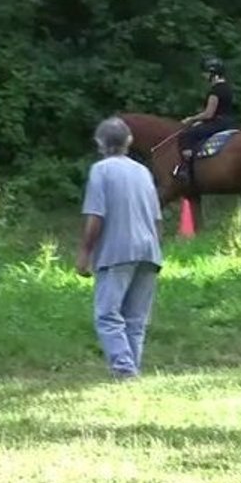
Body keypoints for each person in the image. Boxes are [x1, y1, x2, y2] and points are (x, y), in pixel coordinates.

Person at [76, 116, 164, 380]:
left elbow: (96, 216)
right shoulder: (143, 171)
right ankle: (131, 369)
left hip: (116, 251)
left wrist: (85, 253)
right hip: (149, 249)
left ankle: (124, 369)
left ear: (99, 143)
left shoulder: (100, 171)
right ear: (129, 141)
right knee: (135, 319)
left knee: (107, 315)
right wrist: (157, 247)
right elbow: (157, 219)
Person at [173, 55, 236, 186]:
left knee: (187, 135)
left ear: (213, 73)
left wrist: (191, 119)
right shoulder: (227, 88)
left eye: (206, 73)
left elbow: (208, 114)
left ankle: (186, 169)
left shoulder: (215, 91)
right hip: (229, 122)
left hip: (218, 123)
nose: (204, 75)